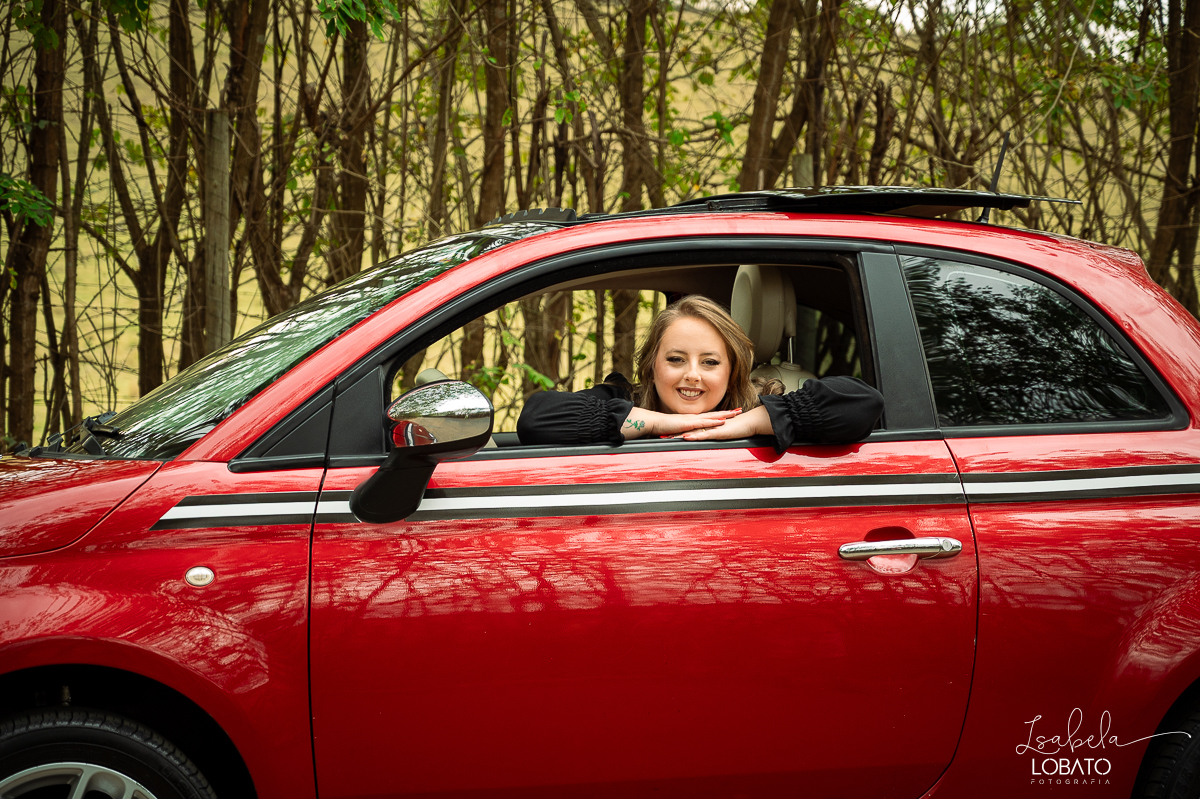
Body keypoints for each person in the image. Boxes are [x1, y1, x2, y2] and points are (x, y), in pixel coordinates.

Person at [516, 295, 884, 452]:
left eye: (710, 362)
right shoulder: (622, 400)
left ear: (732, 371)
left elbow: (863, 403)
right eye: (676, 359)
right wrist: (659, 423)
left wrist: (751, 423)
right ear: (652, 366)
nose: (693, 375)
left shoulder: (762, 403)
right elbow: (536, 418)